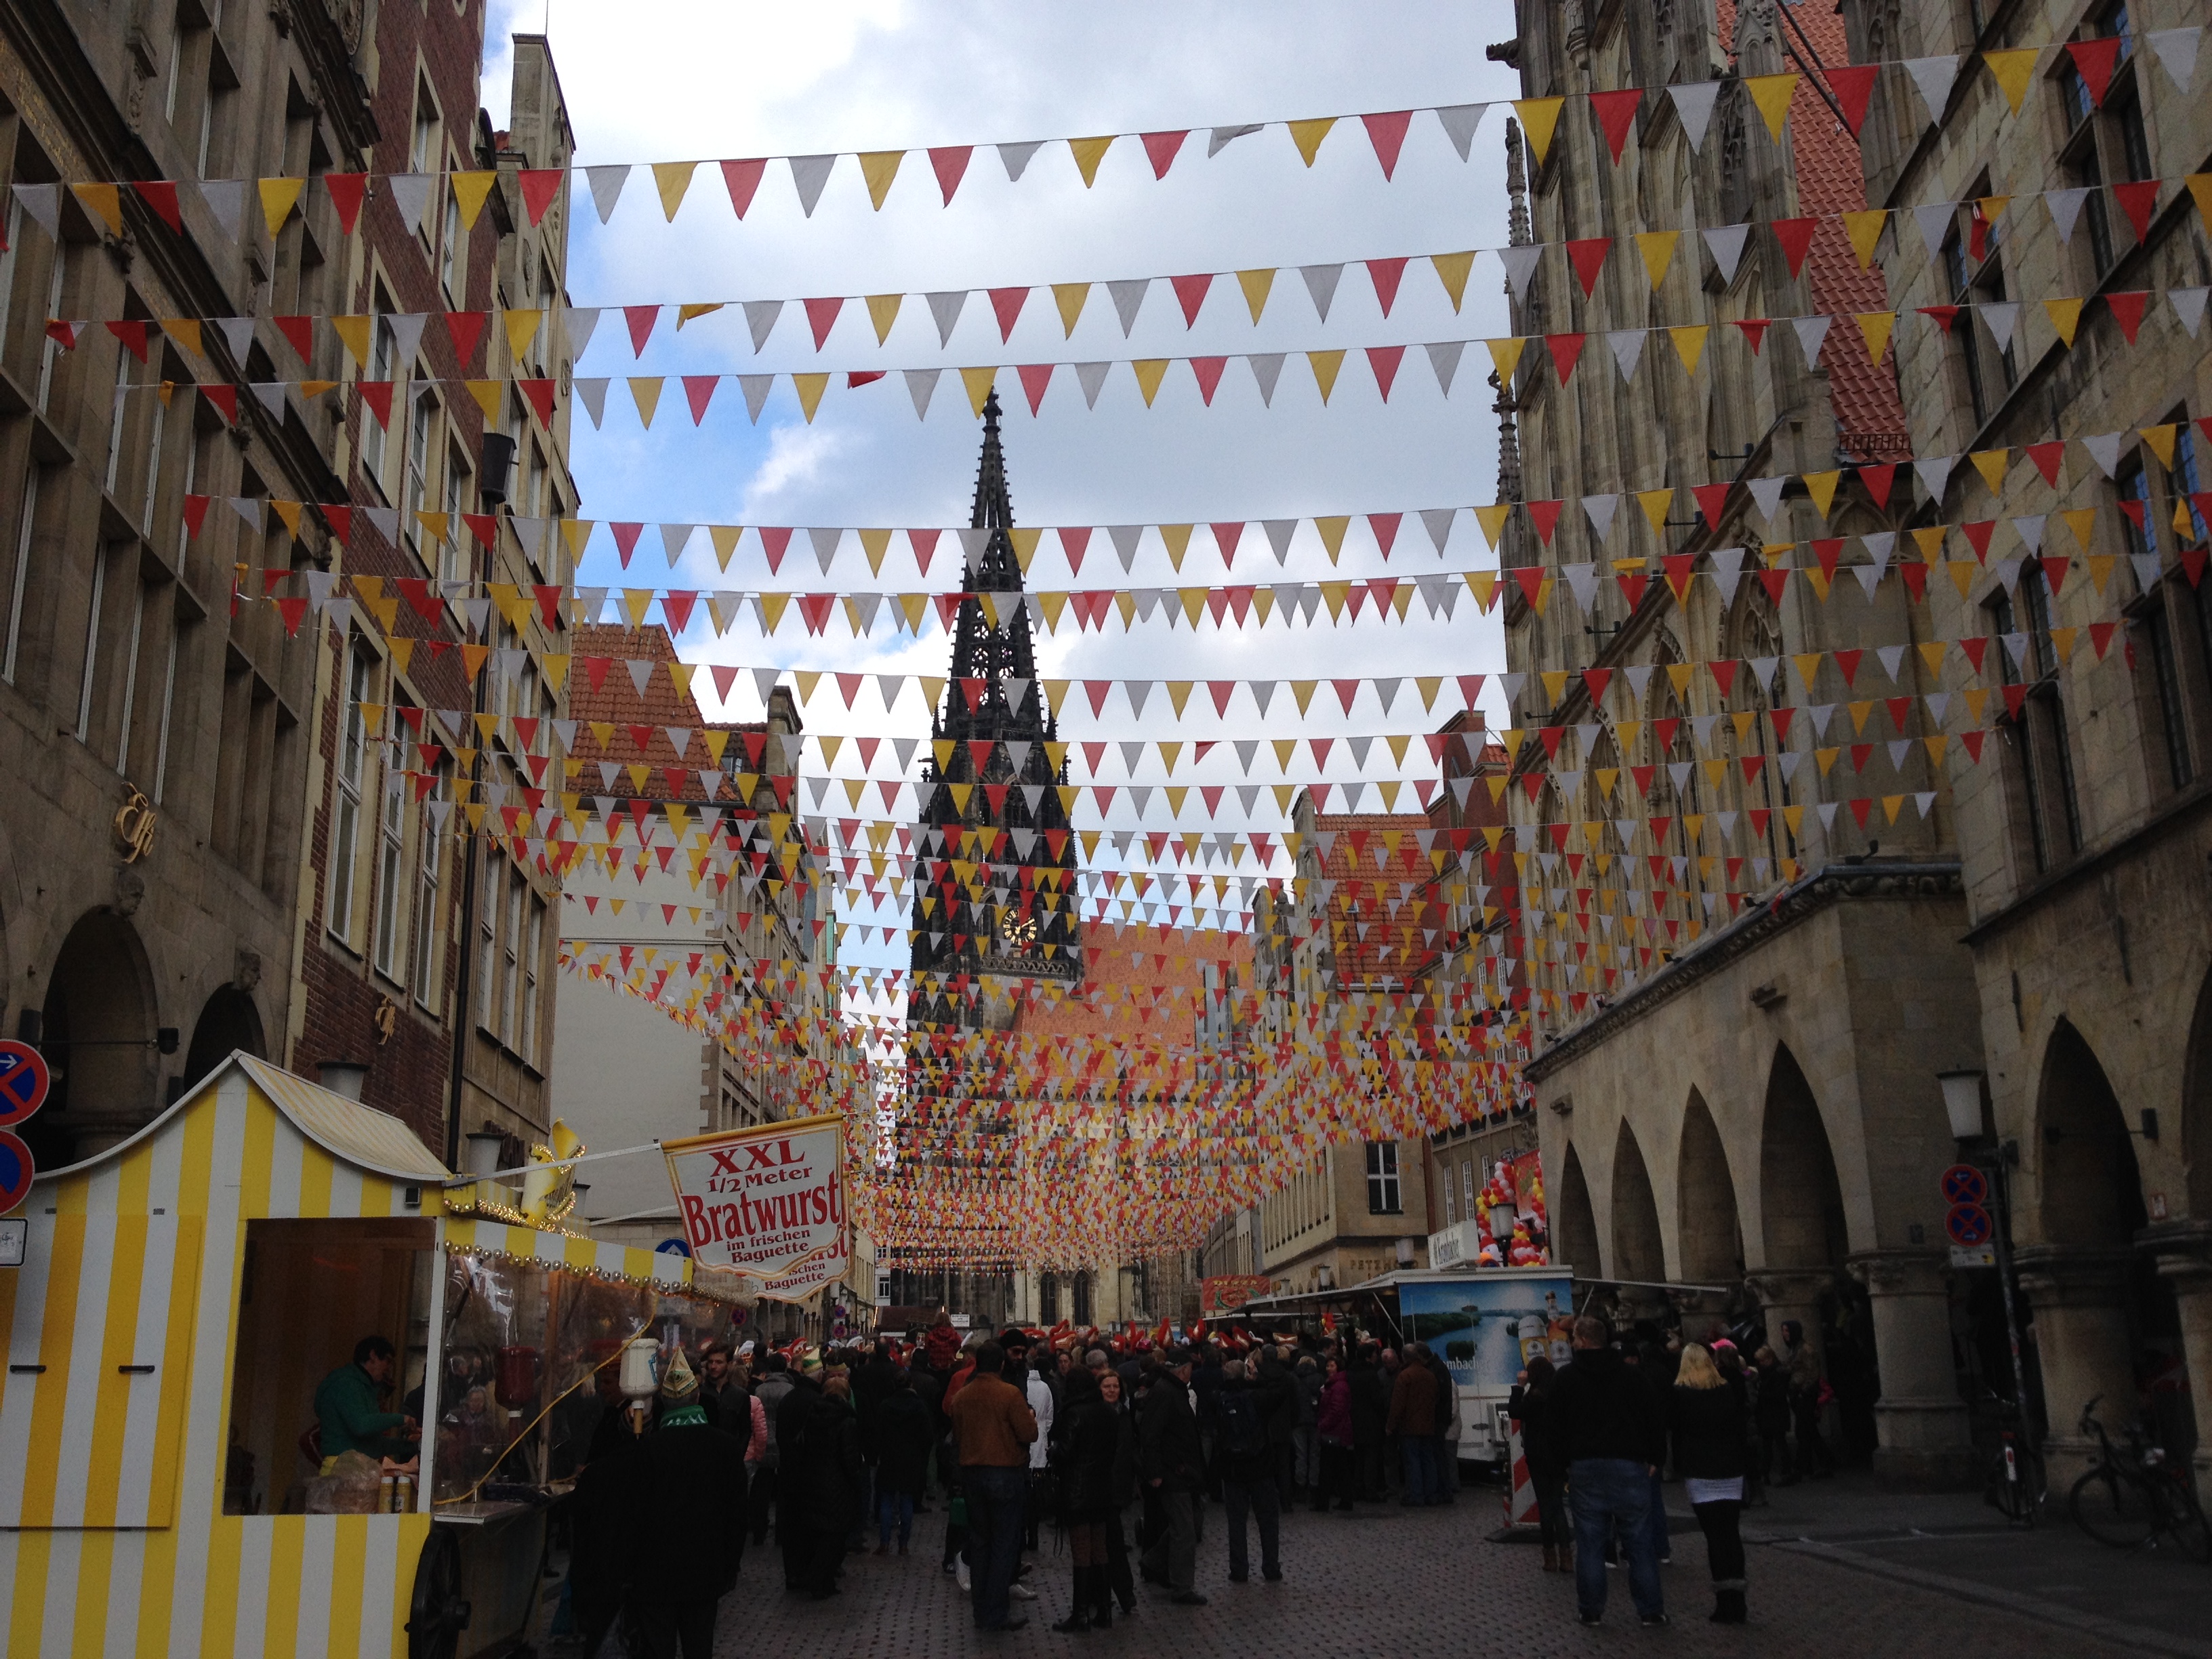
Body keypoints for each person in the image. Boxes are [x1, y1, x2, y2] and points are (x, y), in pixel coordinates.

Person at [630, 1350, 747, 1658]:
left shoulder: (647, 1450)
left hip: (654, 1571)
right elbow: (737, 1512)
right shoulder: (724, 1447)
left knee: (657, 1648)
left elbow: (633, 1514)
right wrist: (730, 1564)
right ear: (697, 1398)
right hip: (705, 1567)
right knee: (699, 1646)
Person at [1552, 1314, 1666, 1629]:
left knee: (1590, 1543)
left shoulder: (1567, 1378)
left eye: (1574, 1339)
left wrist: (1562, 1463)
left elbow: (1555, 1426)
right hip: (1628, 1463)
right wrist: (1656, 1456)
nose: (1572, 1343)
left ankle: (1591, 1610)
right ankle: (1651, 1610)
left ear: (1582, 1341)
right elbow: (1653, 1416)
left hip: (1585, 1464)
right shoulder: (1632, 1376)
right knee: (1639, 1542)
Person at [945, 1340, 1038, 1631]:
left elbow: (958, 1435)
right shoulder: (1009, 1394)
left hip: (972, 1474)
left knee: (980, 1543)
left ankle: (981, 1610)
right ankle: (996, 1611)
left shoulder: (962, 1397)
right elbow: (1029, 1433)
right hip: (1004, 1473)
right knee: (1003, 1545)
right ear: (1001, 1364)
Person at [1670, 1343, 1749, 1624]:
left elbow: (1677, 1432)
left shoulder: (1680, 1394)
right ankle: (1738, 1598)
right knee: (1731, 1533)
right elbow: (1739, 1426)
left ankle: (1724, 1600)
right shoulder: (1725, 1390)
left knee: (1714, 1536)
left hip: (1700, 1469)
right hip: (1730, 1467)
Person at [1049, 1368, 1119, 1631]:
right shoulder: (1108, 1413)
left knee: (1081, 1550)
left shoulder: (1074, 1413)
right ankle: (1104, 1611)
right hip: (1103, 1489)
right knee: (1100, 1548)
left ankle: (1080, 1614)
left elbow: (1065, 1451)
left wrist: (1053, 1451)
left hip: (1078, 1490)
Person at [1136, 1347, 1206, 1605]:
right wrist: (1154, 1471)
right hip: (1173, 1472)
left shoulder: (1171, 1390)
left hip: (1184, 1471)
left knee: (1187, 1524)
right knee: (1185, 1531)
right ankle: (1182, 1586)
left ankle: (1154, 1560)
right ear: (1184, 1370)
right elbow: (1151, 1434)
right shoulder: (1166, 1392)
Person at [1216, 1359, 1284, 1584]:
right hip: (1260, 1466)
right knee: (1268, 1521)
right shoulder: (1257, 1397)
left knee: (1236, 1522)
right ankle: (1271, 1567)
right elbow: (1280, 1389)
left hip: (1232, 1469)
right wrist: (1259, 1376)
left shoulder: (1219, 1399)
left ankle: (1239, 1569)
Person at [797, 1374, 863, 1597]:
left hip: (814, 1480)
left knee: (820, 1534)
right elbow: (850, 1458)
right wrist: (856, 1482)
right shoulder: (847, 1421)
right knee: (835, 1536)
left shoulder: (812, 1415)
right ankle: (818, 1579)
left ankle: (823, 1581)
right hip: (838, 1485)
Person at [314, 1336, 419, 1469]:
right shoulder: (345, 1384)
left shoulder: (364, 1387)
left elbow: (374, 1445)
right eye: (387, 1361)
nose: (389, 1368)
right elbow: (361, 1426)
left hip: (357, 1467)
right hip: (341, 1469)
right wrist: (400, 1419)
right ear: (373, 1356)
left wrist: (413, 1445)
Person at [1509, 1355, 1570, 1571]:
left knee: (1545, 1507)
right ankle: (1567, 1557)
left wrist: (1519, 1387)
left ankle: (1550, 1556)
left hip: (1537, 1456)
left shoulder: (1533, 1399)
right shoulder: (1559, 1396)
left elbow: (1514, 1411)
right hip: (1558, 1456)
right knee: (1558, 1507)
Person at [773, 1354, 825, 1590]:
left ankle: (792, 1574)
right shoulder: (818, 1401)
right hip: (811, 1474)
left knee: (791, 1526)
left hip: (788, 1471)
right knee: (809, 1526)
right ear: (819, 1376)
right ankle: (807, 1572)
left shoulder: (788, 1399)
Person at [869, 1368, 934, 1555]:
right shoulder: (919, 1406)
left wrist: (878, 1452)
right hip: (911, 1459)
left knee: (887, 1500)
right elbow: (927, 1436)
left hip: (889, 1457)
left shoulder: (886, 1405)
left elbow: (878, 1433)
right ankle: (904, 1544)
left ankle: (884, 1542)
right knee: (906, 1501)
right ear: (911, 1384)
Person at [1385, 1340, 1440, 1506]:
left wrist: (1390, 1425)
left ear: (1404, 1357)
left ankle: (1416, 1495)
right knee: (1428, 1460)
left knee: (1413, 1462)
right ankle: (1431, 1494)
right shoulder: (1429, 1375)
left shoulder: (1405, 1376)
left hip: (1409, 1427)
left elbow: (1397, 1404)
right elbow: (1435, 1399)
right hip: (1428, 1425)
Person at [750, 1354, 794, 1545]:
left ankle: (759, 1531)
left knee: (762, 1491)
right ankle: (781, 1534)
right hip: (783, 1444)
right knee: (783, 1491)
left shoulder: (760, 1389)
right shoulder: (790, 1390)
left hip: (764, 1442)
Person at [1022, 1349, 1056, 1551]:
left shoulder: (1018, 1386)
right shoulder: (1045, 1387)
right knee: (1036, 1490)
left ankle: (1022, 1534)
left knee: (1023, 1492)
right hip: (1040, 1443)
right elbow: (1050, 1416)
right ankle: (1033, 1534)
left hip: (1023, 1446)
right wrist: (1042, 1432)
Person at [1315, 1357, 1357, 1511]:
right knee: (1340, 1467)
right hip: (1338, 1431)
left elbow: (1336, 1410)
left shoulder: (1337, 1386)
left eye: (1332, 1365)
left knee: (1328, 1468)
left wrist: (1323, 1425)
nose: (1328, 1368)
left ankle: (1323, 1502)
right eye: (1327, 1365)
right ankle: (1344, 1500)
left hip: (1334, 1431)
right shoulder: (1335, 1384)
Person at [1788, 1348, 1837, 1479]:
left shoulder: (1813, 1377)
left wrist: (1817, 1402)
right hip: (1805, 1409)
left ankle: (1808, 1465)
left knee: (1809, 1435)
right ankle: (1815, 1463)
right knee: (1809, 1436)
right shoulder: (1800, 1377)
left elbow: (1828, 1392)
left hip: (1810, 1409)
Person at [1349, 1345, 1389, 1500]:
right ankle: (1370, 1490)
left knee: (1359, 1457)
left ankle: (1358, 1488)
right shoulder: (1371, 1374)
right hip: (1371, 1421)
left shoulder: (1351, 1373)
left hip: (1355, 1419)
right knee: (1371, 1458)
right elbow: (1377, 1400)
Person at [1420, 1342, 1458, 1503]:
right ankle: (1445, 1489)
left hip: (1438, 1421)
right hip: (1441, 1421)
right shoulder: (1439, 1367)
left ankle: (1444, 1490)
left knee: (1440, 1457)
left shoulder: (1435, 1370)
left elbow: (1444, 1400)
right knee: (1442, 1457)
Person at [1752, 1345, 1793, 1488]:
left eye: (1763, 1360)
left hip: (1774, 1412)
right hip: (1771, 1413)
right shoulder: (1770, 1372)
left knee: (1776, 1443)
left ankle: (1781, 1472)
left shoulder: (1775, 1373)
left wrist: (1761, 1394)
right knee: (1771, 1444)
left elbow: (1778, 1394)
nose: (1761, 1363)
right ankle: (1771, 1472)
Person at [1292, 1355, 1324, 1509]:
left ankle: (1300, 1487)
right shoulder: (1319, 1378)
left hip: (1298, 1420)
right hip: (1315, 1420)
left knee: (1301, 1455)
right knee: (1315, 1455)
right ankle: (1314, 1486)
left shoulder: (1294, 1378)